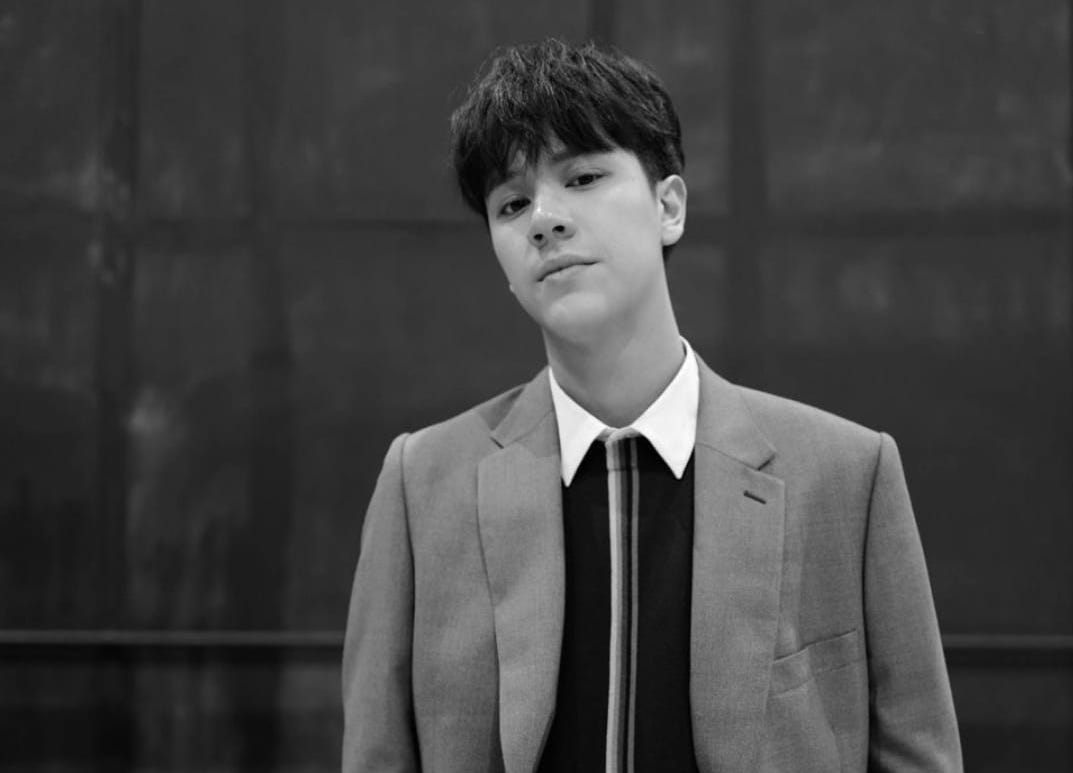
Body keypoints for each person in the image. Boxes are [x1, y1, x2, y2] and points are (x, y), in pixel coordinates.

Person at [342, 38, 962, 773]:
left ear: (668, 206)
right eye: (511, 204)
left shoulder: (845, 474)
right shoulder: (423, 484)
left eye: (582, 177)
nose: (544, 218)